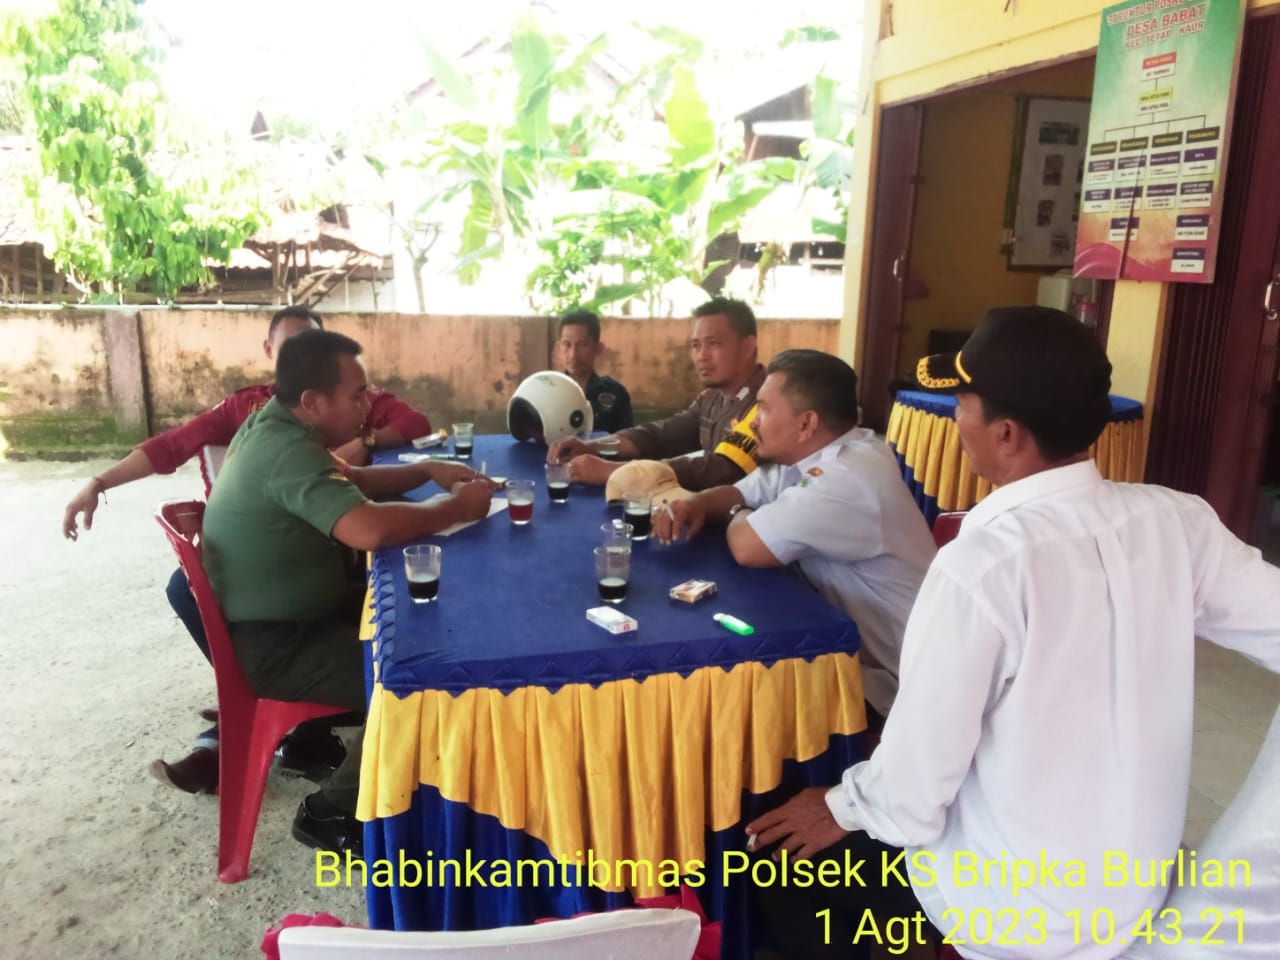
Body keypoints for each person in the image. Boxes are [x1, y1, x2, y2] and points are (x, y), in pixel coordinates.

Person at [743, 306, 1280, 958]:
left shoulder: (982, 565)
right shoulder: (1177, 522)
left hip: (1014, 911)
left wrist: (838, 805)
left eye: (961, 406)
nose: (954, 422)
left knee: (776, 869)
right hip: (1132, 889)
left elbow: (912, 794)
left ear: (1005, 434)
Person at [199, 329, 494, 854]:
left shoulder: (278, 426)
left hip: (297, 614)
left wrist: (427, 470)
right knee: (419, 681)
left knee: (427, 617)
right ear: (313, 401)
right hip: (280, 645)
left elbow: (353, 480)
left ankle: (318, 750)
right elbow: (367, 529)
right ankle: (331, 811)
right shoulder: (284, 450)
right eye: (357, 395)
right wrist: (454, 508)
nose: (367, 405)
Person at [653, 349, 935, 722]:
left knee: (732, 697)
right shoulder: (805, 456)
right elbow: (740, 493)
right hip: (848, 649)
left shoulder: (846, 477)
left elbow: (747, 546)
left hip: (895, 684)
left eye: (763, 409)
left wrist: (737, 514)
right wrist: (699, 503)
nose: (750, 422)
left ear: (806, 423)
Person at [60, 305, 431, 541]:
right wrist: (99, 482)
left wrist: (366, 441)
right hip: (280, 537)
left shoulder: (347, 396)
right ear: (269, 350)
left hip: (334, 521)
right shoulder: (248, 407)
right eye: (290, 348)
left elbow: (415, 424)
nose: (301, 359)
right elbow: (171, 446)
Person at [547, 297, 764, 491]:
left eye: (713, 343)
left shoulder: (764, 404)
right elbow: (662, 435)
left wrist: (614, 471)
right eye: (696, 345)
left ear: (748, 347)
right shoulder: (712, 397)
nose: (701, 356)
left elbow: (718, 470)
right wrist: (591, 447)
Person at [556, 309, 633, 433]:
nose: (573, 354)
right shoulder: (548, 392)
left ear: (598, 348)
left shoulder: (616, 393)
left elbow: (626, 439)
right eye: (567, 344)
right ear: (559, 348)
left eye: (582, 345)